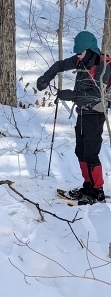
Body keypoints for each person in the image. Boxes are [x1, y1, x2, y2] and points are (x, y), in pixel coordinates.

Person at [37, 30, 110, 204]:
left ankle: (97, 191)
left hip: (96, 113)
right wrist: (46, 77)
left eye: (81, 52)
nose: (78, 56)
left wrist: (70, 95)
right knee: (80, 151)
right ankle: (87, 186)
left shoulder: (103, 66)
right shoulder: (82, 60)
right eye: (77, 53)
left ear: (91, 49)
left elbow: (96, 94)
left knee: (91, 153)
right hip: (83, 113)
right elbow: (60, 64)